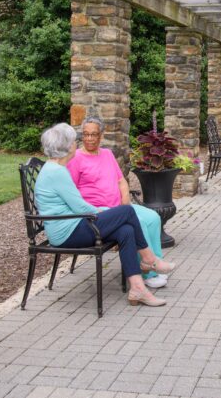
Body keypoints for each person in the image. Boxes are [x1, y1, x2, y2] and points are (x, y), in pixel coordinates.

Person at [34, 123, 175, 307]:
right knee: (126, 211)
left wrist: (108, 213)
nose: (77, 144)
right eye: (75, 140)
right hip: (67, 232)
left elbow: (78, 206)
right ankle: (149, 259)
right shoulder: (57, 172)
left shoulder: (55, 169)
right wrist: (107, 212)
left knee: (125, 230)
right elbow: (81, 207)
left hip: (74, 224)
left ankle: (137, 289)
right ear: (68, 146)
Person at [66, 116, 168, 289]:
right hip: (99, 210)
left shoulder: (107, 154)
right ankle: (147, 273)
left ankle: (154, 263)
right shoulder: (76, 158)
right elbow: (72, 192)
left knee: (152, 218)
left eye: (94, 134)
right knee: (140, 223)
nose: (90, 138)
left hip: (120, 206)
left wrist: (126, 202)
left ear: (101, 135)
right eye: (86, 134)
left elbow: (121, 180)